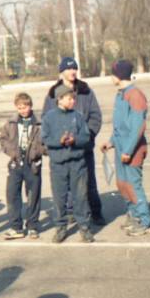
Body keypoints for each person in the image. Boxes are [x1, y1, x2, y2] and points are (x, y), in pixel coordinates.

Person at [42, 57, 105, 225]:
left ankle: (96, 212)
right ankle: (70, 213)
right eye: (69, 69)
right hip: (61, 150)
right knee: (65, 186)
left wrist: (86, 136)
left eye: (75, 68)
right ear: (61, 72)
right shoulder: (52, 94)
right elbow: (46, 120)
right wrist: (56, 142)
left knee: (89, 183)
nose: (73, 71)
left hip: (83, 147)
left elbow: (95, 116)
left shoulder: (85, 91)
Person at [101, 60, 150, 236]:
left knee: (133, 185)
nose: (111, 77)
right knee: (123, 184)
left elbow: (138, 126)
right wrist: (111, 142)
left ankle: (145, 222)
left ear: (119, 75)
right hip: (120, 148)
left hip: (132, 150)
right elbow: (121, 126)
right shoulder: (121, 94)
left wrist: (128, 151)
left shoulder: (135, 95)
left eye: (112, 74)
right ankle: (134, 215)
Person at [41, 85, 95, 243]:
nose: (73, 101)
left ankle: (84, 228)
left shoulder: (78, 116)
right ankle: (60, 228)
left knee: (81, 197)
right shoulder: (49, 117)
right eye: (69, 99)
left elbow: (86, 137)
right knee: (59, 198)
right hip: (58, 165)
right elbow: (45, 138)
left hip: (78, 164)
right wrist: (59, 141)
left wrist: (75, 140)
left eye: (74, 98)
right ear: (60, 99)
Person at [0, 93, 44, 240]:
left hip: (33, 164)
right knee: (12, 195)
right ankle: (16, 227)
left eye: (25, 107)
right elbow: (3, 139)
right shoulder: (11, 123)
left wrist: (37, 152)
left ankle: (32, 226)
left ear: (30, 106)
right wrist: (12, 152)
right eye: (19, 108)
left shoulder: (39, 123)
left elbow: (46, 142)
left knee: (33, 196)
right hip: (16, 163)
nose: (23, 110)